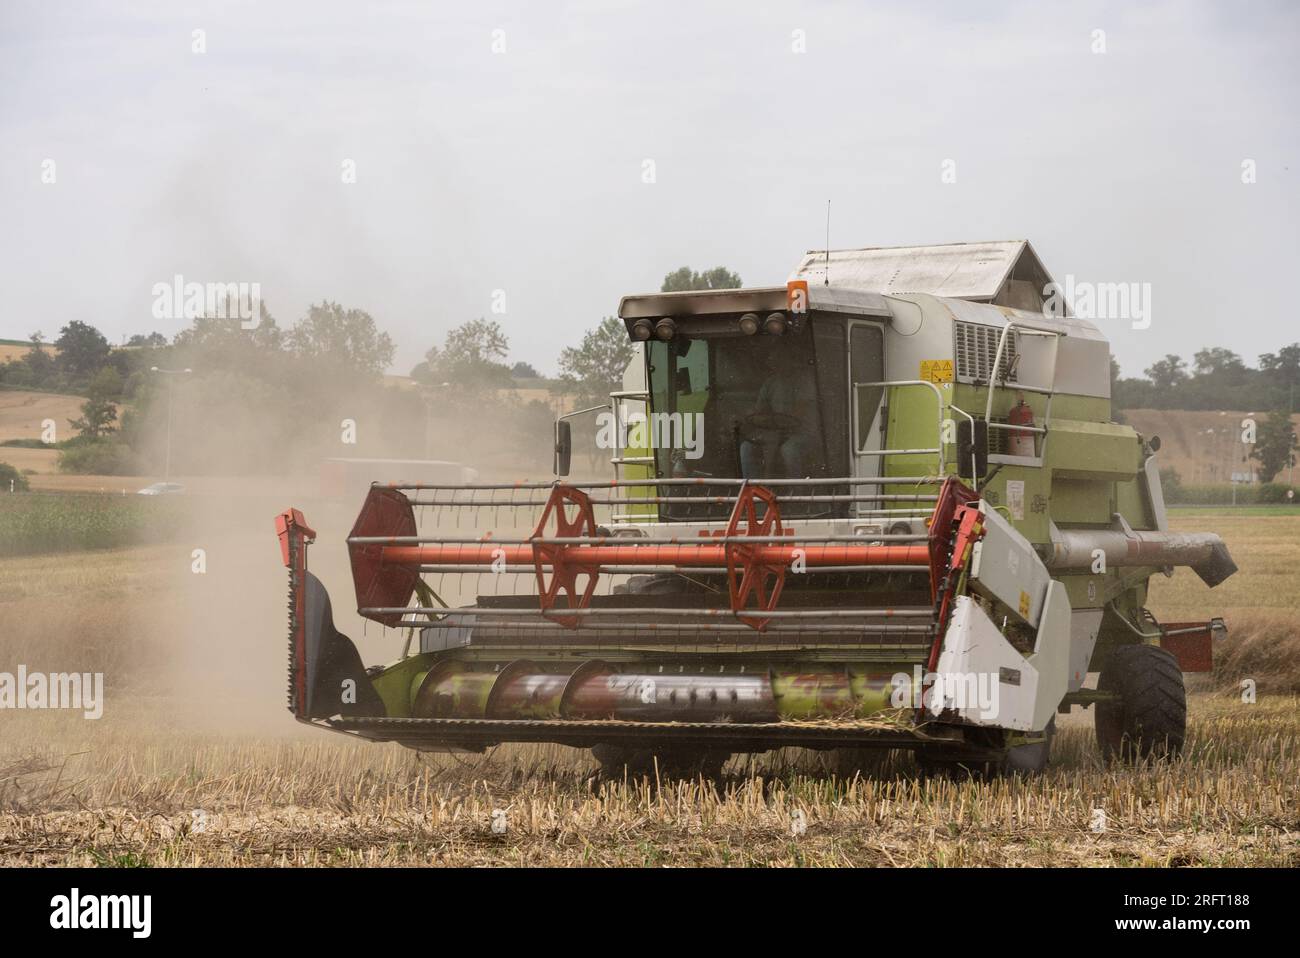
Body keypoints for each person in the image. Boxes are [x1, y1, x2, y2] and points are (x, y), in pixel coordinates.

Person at [739, 350, 817, 479]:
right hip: (775, 431)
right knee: (746, 447)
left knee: (789, 449)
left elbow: (800, 410)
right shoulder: (770, 382)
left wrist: (776, 423)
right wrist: (754, 417)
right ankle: (752, 490)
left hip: (803, 432)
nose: (774, 363)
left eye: (778, 358)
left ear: (789, 360)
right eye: (772, 360)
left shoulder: (804, 381)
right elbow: (759, 411)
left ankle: (795, 490)